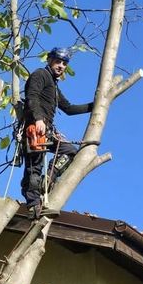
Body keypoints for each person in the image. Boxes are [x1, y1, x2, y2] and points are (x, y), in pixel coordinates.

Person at [21, 47, 93, 218]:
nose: (61, 66)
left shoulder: (53, 86)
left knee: (70, 152)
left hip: (47, 130)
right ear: (49, 60)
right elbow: (32, 96)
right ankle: (33, 206)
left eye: (64, 63)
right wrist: (38, 119)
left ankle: (48, 179)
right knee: (34, 167)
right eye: (58, 61)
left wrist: (94, 106)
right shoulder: (40, 74)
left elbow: (68, 108)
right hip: (35, 127)